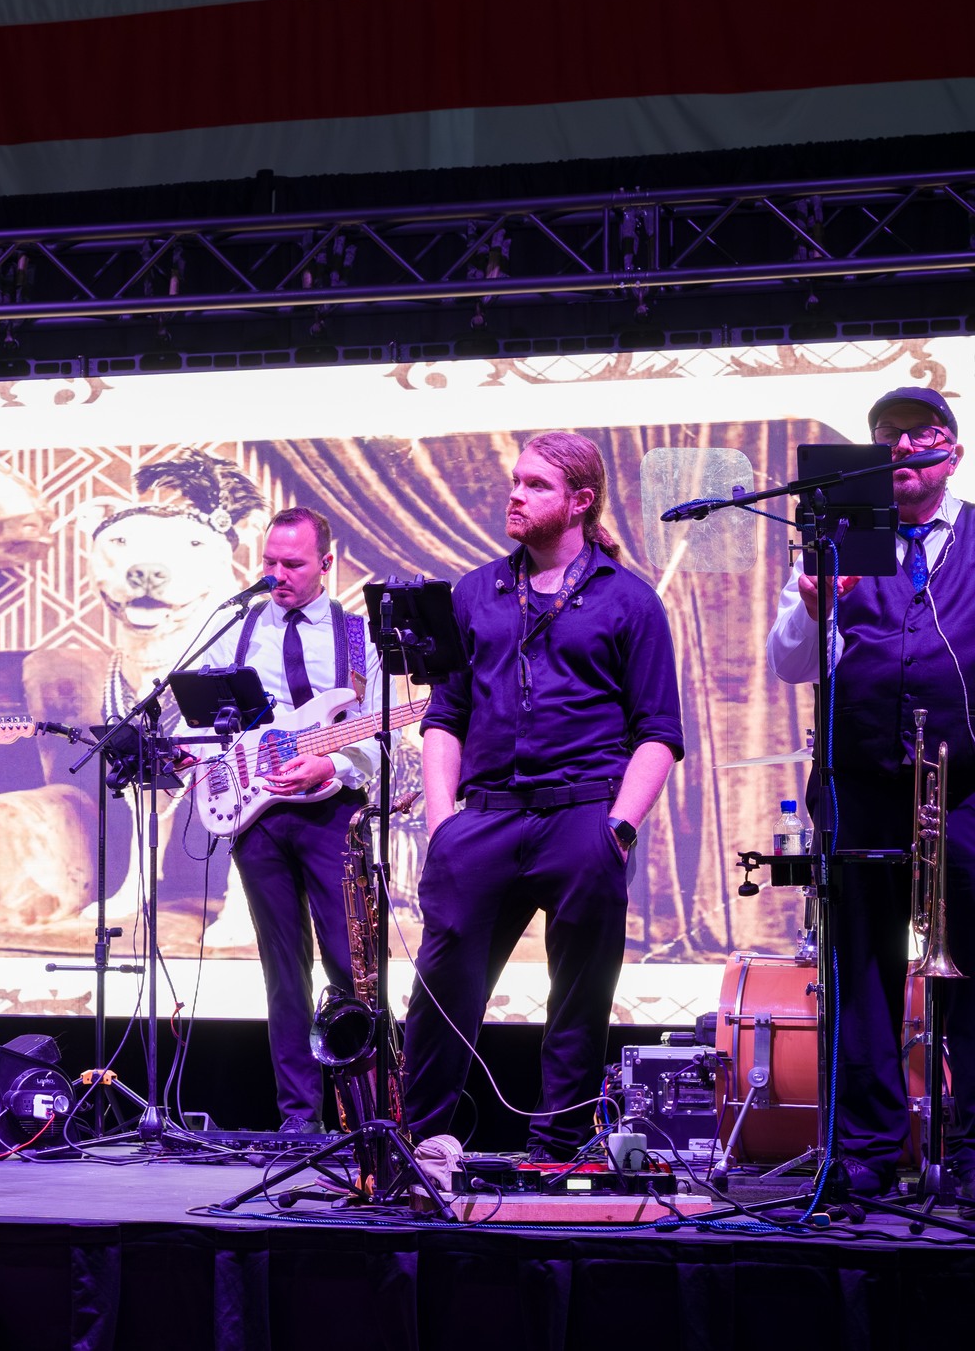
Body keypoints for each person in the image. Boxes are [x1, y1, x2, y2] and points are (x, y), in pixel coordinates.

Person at [401, 431, 682, 1159]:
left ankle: (557, 1150)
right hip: (485, 819)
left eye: (536, 485)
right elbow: (444, 717)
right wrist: (443, 825)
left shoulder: (630, 601)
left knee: (580, 998)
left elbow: (658, 733)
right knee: (443, 988)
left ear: (580, 501)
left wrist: (617, 829)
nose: (516, 495)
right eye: (515, 481)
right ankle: (420, 1144)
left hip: (583, 816)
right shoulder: (475, 593)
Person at [766, 385, 973, 1200]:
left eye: (920, 433)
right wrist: (817, 607)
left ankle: (971, 1153)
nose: (903, 447)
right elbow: (790, 663)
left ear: (952, 450)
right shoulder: (836, 540)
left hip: (967, 786)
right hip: (857, 780)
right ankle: (866, 1151)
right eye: (887, 435)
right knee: (859, 967)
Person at [186, 507, 384, 1132]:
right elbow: (192, 716)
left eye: (292, 564)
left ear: (326, 564)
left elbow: (379, 736)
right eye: (269, 561)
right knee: (283, 971)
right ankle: (299, 1120)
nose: (277, 574)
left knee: (351, 966)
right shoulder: (236, 629)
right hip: (259, 815)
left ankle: (366, 1121)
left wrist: (331, 765)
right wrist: (195, 754)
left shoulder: (358, 638)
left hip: (333, 814)